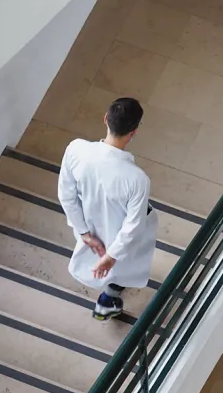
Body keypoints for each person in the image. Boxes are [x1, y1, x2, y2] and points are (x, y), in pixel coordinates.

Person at [57, 97, 158, 321]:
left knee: (118, 263)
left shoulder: (76, 149)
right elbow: (133, 226)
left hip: (91, 225)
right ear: (134, 132)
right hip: (120, 233)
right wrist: (111, 256)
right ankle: (108, 299)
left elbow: (66, 195)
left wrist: (84, 234)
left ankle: (109, 298)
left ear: (106, 119)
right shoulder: (137, 179)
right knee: (128, 263)